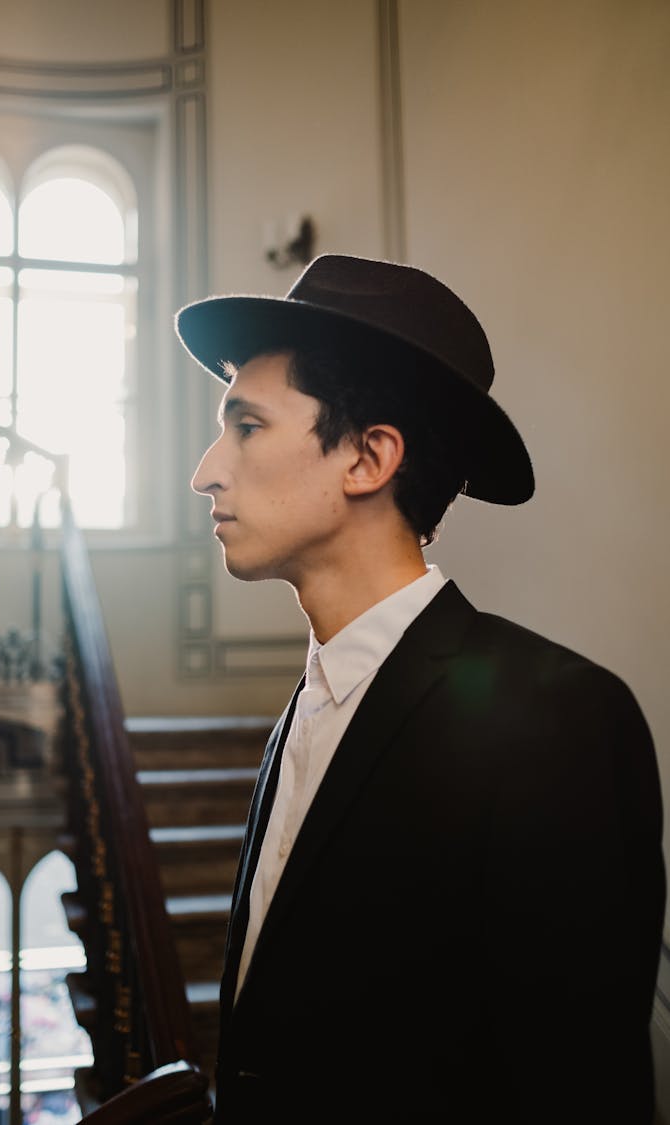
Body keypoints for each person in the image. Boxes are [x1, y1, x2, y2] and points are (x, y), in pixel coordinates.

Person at [175, 254, 665, 1124]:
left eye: (246, 425)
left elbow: (578, 1085)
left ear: (369, 457)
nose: (207, 470)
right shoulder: (305, 711)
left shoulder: (556, 718)